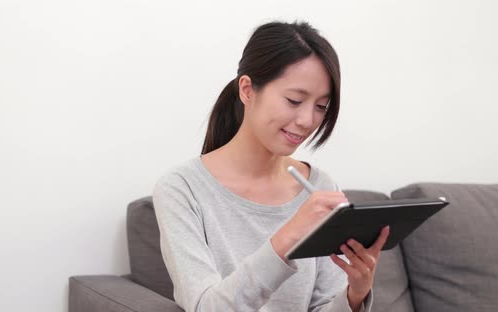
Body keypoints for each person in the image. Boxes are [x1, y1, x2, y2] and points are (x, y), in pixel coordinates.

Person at [152, 20, 389, 312]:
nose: (307, 121)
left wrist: (355, 294)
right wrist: (286, 239)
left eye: (320, 107)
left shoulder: (320, 187)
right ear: (248, 90)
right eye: (294, 100)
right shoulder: (182, 190)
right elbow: (206, 307)